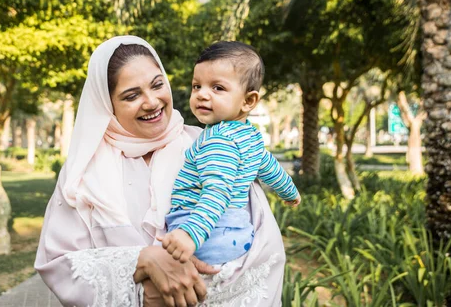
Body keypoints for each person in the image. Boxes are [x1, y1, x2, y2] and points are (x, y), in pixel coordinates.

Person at [35, 36, 289, 307]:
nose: (152, 102)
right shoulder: (83, 174)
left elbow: (265, 249)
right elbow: (60, 264)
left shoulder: (210, 146)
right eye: (132, 95)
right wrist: (143, 262)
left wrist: (203, 291)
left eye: (158, 85)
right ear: (107, 104)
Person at [159, 42, 301, 266]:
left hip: (205, 231)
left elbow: (217, 192)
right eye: (197, 86)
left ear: (248, 101)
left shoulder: (218, 141)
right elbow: (271, 169)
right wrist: (290, 193)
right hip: (236, 232)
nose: (202, 95)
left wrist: (190, 234)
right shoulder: (250, 138)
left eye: (218, 88)